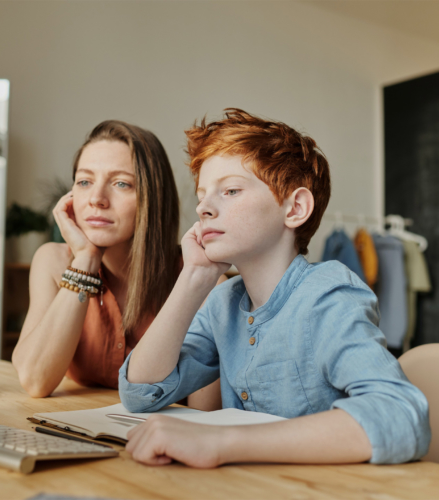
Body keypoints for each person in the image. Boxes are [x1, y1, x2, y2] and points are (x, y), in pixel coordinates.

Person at [118, 109, 431, 467]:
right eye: (202, 195)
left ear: (295, 208)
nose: (203, 207)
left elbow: (400, 416)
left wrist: (222, 442)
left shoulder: (327, 295)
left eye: (231, 190)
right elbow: (139, 392)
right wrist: (193, 278)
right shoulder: (223, 302)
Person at [12, 120, 223, 409]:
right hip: (70, 427)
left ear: (152, 197)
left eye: (121, 183)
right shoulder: (53, 261)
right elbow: (35, 380)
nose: (96, 199)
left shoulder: (200, 279)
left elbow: (204, 414)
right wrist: (85, 259)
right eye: (85, 182)